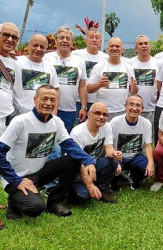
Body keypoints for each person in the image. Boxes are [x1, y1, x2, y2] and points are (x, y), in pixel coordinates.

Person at [0, 85, 96, 219]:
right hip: (18, 177)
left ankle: (54, 202)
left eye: (52, 100)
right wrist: (16, 180)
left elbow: (69, 145)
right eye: (44, 99)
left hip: (39, 173)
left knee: (74, 160)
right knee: (36, 208)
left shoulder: (56, 122)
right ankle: (14, 202)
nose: (48, 103)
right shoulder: (20, 121)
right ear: (35, 100)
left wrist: (88, 161)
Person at [69, 102, 121, 203]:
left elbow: (109, 148)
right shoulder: (77, 132)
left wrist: (114, 154)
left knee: (112, 162)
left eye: (105, 114)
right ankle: (72, 189)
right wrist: (90, 185)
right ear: (89, 114)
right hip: (77, 170)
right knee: (83, 196)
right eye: (98, 113)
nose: (102, 117)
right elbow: (78, 163)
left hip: (94, 165)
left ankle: (101, 190)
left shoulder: (107, 127)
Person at [44, 26, 88, 133]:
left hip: (70, 110)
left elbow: (82, 86)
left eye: (68, 39)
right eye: (61, 38)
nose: (65, 41)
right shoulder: (46, 58)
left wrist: (83, 107)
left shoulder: (80, 61)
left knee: (65, 141)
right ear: (56, 41)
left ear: (72, 42)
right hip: (47, 108)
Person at [87, 37, 138, 121]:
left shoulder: (129, 68)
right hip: (102, 112)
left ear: (122, 50)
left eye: (117, 46)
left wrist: (134, 88)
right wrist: (99, 84)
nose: (114, 48)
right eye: (112, 46)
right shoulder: (98, 66)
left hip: (122, 111)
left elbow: (133, 92)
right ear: (107, 49)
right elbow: (89, 89)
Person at [110, 94, 155, 190]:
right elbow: (108, 145)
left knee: (152, 165)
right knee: (109, 165)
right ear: (125, 106)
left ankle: (135, 178)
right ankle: (115, 180)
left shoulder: (146, 123)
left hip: (135, 157)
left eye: (138, 105)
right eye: (131, 104)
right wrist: (114, 161)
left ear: (142, 109)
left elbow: (148, 146)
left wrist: (150, 163)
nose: (134, 108)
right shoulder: (114, 122)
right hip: (118, 157)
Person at [15, 34, 60, 114]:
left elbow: (55, 90)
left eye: (42, 47)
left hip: (42, 115)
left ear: (46, 49)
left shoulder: (50, 67)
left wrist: (54, 113)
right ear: (28, 45)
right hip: (18, 113)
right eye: (35, 45)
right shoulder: (16, 62)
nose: (38, 49)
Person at [128, 35, 159, 140]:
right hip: (133, 108)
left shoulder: (158, 64)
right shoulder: (129, 63)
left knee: (149, 138)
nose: (144, 46)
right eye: (140, 44)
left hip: (151, 108)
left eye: (146, 43)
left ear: (150, 46)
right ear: (136, 48)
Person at [72, 27, 108, 116]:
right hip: (78, 101)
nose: (94, 40)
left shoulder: (106, 58)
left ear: (100, 41)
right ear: (86, 40)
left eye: (97, 37)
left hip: (98, 101)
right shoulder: (76, 55)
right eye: (91, 37)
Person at [0, 22, 21, 136]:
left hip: (5, 122)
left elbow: (17, 94)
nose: (10, 39)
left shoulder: (17, 65)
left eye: (14, 37)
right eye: (6, 35)